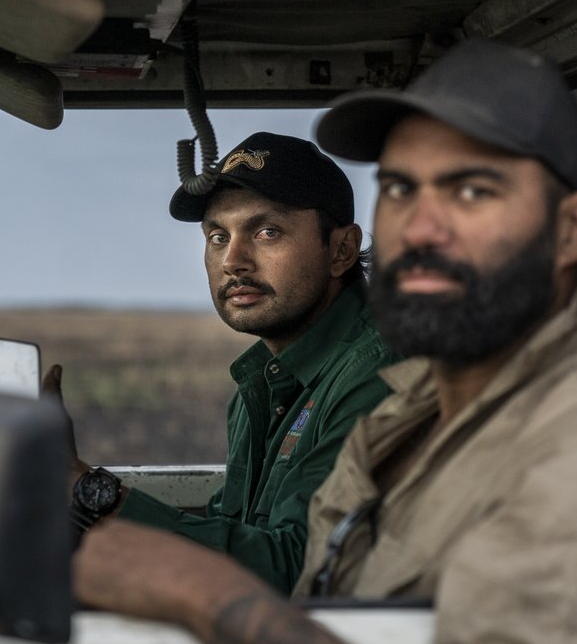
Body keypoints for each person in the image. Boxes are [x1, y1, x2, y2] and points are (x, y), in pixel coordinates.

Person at [72, 41, 577, 644]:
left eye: (473, 190)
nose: (423, 227)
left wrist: (202, 594)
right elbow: (326, 589)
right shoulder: (415, 415)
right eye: (402, 191)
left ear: (574, 228)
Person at [56, 132, 396, 593]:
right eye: (218, 236)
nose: (233, 261)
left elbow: (299, 569)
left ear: (340, 250)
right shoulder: (259, 388)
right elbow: (235, 532)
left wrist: (100, 500)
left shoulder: (377, 373)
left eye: (266, 232)